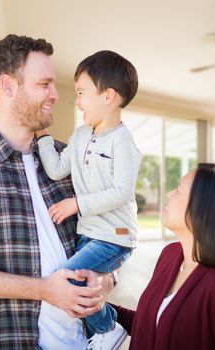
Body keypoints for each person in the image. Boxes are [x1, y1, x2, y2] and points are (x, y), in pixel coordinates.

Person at [0, 34, 115, 350]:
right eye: (44, 84)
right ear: (8, 86)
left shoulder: (68, 159)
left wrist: (105, 279)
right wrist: (43, 289)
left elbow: (105, 233)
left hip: (84, 342)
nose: (56, 94)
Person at [34, 50, 141, 349]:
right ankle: (98, 332)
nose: (77, 100)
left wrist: (77, 204)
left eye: (82, 93)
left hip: (115, 237)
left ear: (108, 96)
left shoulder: (123, 142)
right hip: (89, 234)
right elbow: (56, 170)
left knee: (63, 279)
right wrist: (42, 136)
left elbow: (121, 192)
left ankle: (108, 327)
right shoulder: (80, 135)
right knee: (82, 286)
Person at [110, 163, 215, 350]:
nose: (169, 194)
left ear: (204, 209)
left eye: (179, 189)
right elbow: (151, 324)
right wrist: (99, 308)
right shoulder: (171, 254)